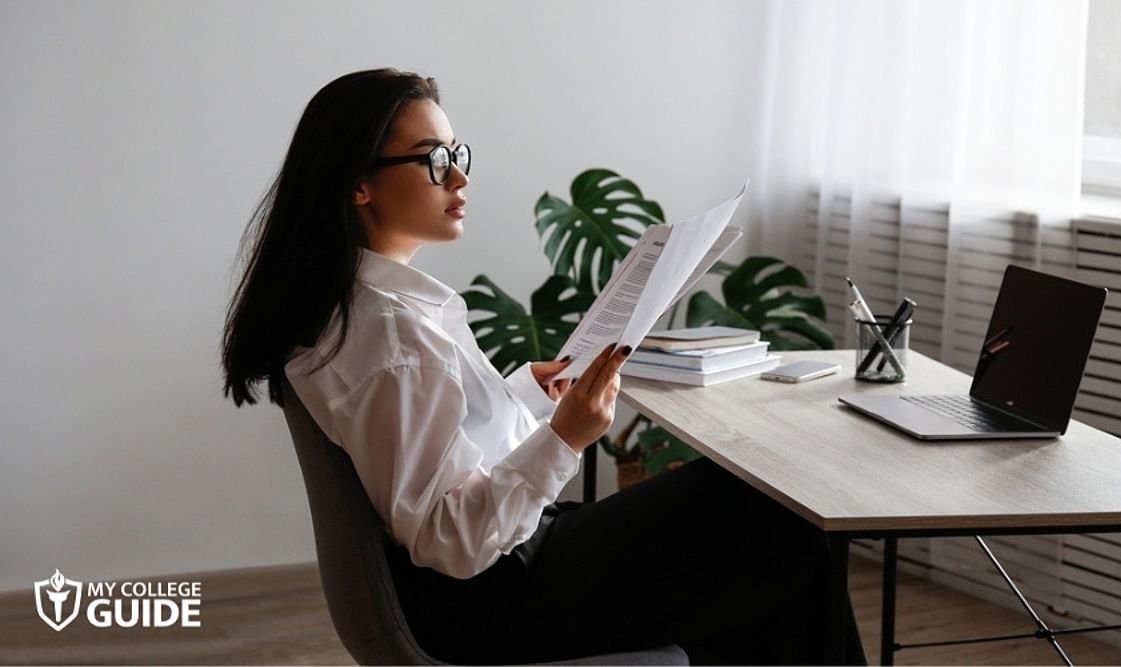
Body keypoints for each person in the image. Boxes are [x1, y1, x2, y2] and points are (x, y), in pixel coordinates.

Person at [221, 68, 866, 665]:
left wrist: (522, 396)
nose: (460, 180)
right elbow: (450, 541)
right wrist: (564, 438)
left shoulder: (367, 310)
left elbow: (435, 453)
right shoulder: (392, 335)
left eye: (458, 154)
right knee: (776, 520)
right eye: (434, 161)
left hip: (493, 575)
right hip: (484, 603)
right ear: (356, 183)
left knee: (760, 541)